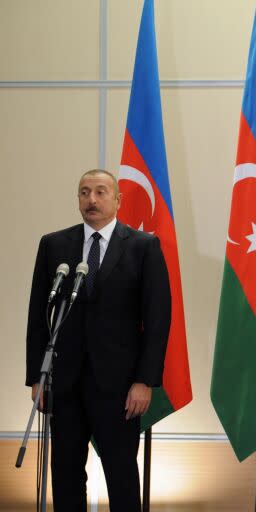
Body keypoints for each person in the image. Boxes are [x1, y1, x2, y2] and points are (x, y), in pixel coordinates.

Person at [26, 169, 171, 511]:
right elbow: (38, 316)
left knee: (121, 476)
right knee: (65, 474)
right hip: (64, 386)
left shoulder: (142, 247)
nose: (91, 199)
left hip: (120, 388)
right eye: (84, 192)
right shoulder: (54, 245)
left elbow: (157, 320)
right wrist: (37, 377)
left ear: (118, 200)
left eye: (101, 192)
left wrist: (144, 381)